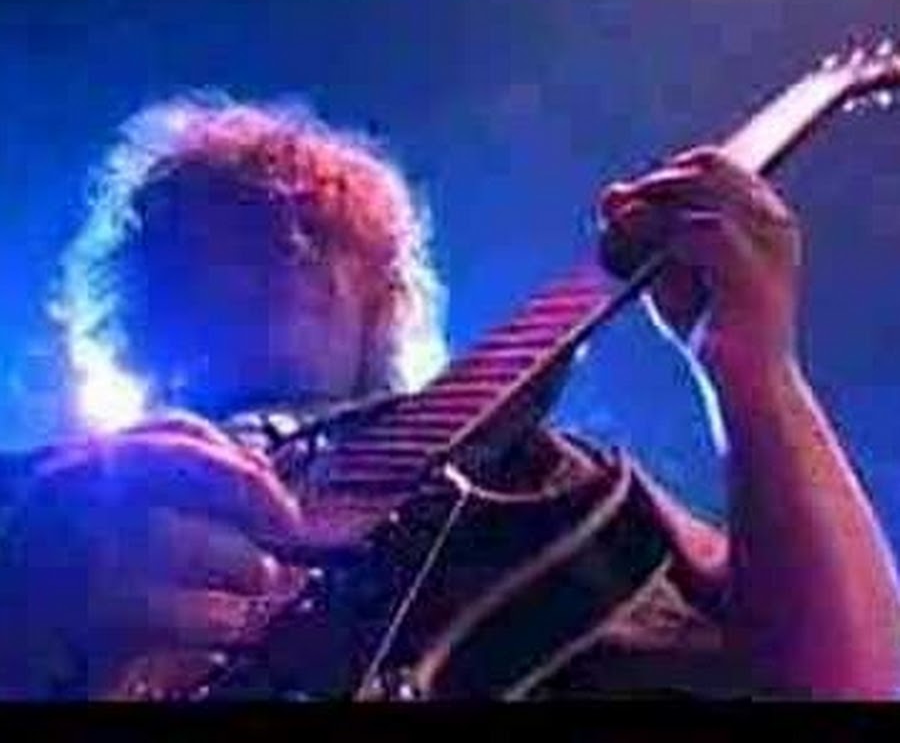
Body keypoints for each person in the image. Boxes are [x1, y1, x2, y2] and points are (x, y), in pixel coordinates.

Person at [0, 94, 896, 700]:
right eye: (236, 225)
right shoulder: (46, 501)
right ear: (146, 287)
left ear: (383, 295)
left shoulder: (557, 482)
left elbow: (856, 678)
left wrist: (752, 368)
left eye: (317, 228)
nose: (289, 246)